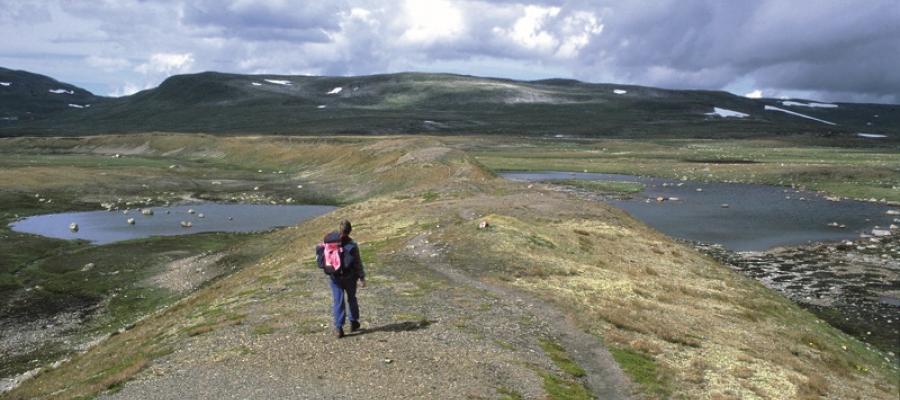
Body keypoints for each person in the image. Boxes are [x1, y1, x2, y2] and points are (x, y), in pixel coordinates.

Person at [316, 220, 366, 338]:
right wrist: (362, 277)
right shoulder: (352, 245)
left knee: (338, 301)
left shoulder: (330, 242)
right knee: (352, 298)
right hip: (350, 277)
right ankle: (354, 322)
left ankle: (339, 328)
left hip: (335, 277)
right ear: (350, 230)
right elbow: (357, 263)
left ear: (340, 229)